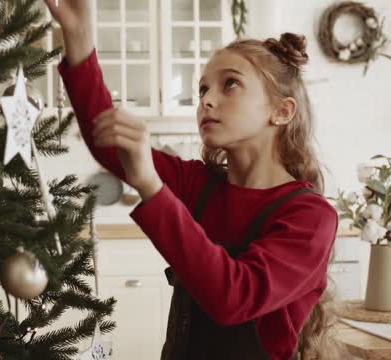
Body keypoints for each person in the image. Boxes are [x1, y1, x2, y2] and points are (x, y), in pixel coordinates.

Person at [43, 1, 342, 359]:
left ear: (282, 111)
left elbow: (234, 298)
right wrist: (78, 37)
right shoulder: (198, 184)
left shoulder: (310, 217)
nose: (207, 101)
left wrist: (151, 185)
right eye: (202, 90)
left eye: (229, 84)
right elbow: (108, 146)